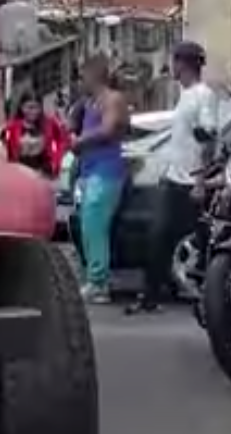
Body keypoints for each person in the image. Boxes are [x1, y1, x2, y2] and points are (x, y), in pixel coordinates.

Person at [129, 41, 219, 315]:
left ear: (185, 64)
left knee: (190, 237)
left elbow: (208, 137)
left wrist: (202, 182)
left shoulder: (204, 95)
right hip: (174, 177)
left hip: (191, 182)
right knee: (163, 236)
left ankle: (206, 291)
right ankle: (153, 294)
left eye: (175, 62)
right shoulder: (185, 94)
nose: (173, 68)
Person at [73, 56, 128, 305]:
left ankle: (99, 283)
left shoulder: (113, 99)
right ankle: (94, 278)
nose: (80, 80)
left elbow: (109, 129)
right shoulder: (88, 103)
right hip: (88, 170)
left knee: (95, 226)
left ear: (94, 74)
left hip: (106, 171)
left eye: (83, 75)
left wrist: (81, 141)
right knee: (88, 227)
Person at [2, 93, 69, 177]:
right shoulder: (12, 128)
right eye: (30, 107)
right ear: (22, 108)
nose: (34, 112)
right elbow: (5, 148)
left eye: (37, 107)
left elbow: (63, 140)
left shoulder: (49, 124)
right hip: (19, 174)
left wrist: (56, 161)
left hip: (43, 174)